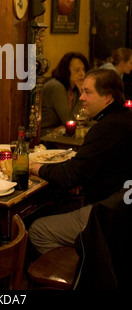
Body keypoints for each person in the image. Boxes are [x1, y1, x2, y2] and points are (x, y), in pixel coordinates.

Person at [29, 68, 132, 255]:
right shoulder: (124, 118)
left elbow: (71, 175)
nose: (82, 97)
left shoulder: (107, 128)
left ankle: (84, 272)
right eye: (82, 91)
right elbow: (91, 168)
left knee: (37, 230)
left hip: (108, 216)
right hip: (121, 208)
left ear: (107, 97)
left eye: (88, 92)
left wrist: (36, 168)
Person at [41, 52, 89, 131]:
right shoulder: (56, 87)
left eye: (83, 70)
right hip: (46, 134)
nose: (82, 74)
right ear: (66, 70)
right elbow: (70, 122)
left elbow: (85, 118)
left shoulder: (74, 88)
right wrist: (82, 96)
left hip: (62, 132)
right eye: (77, 70)